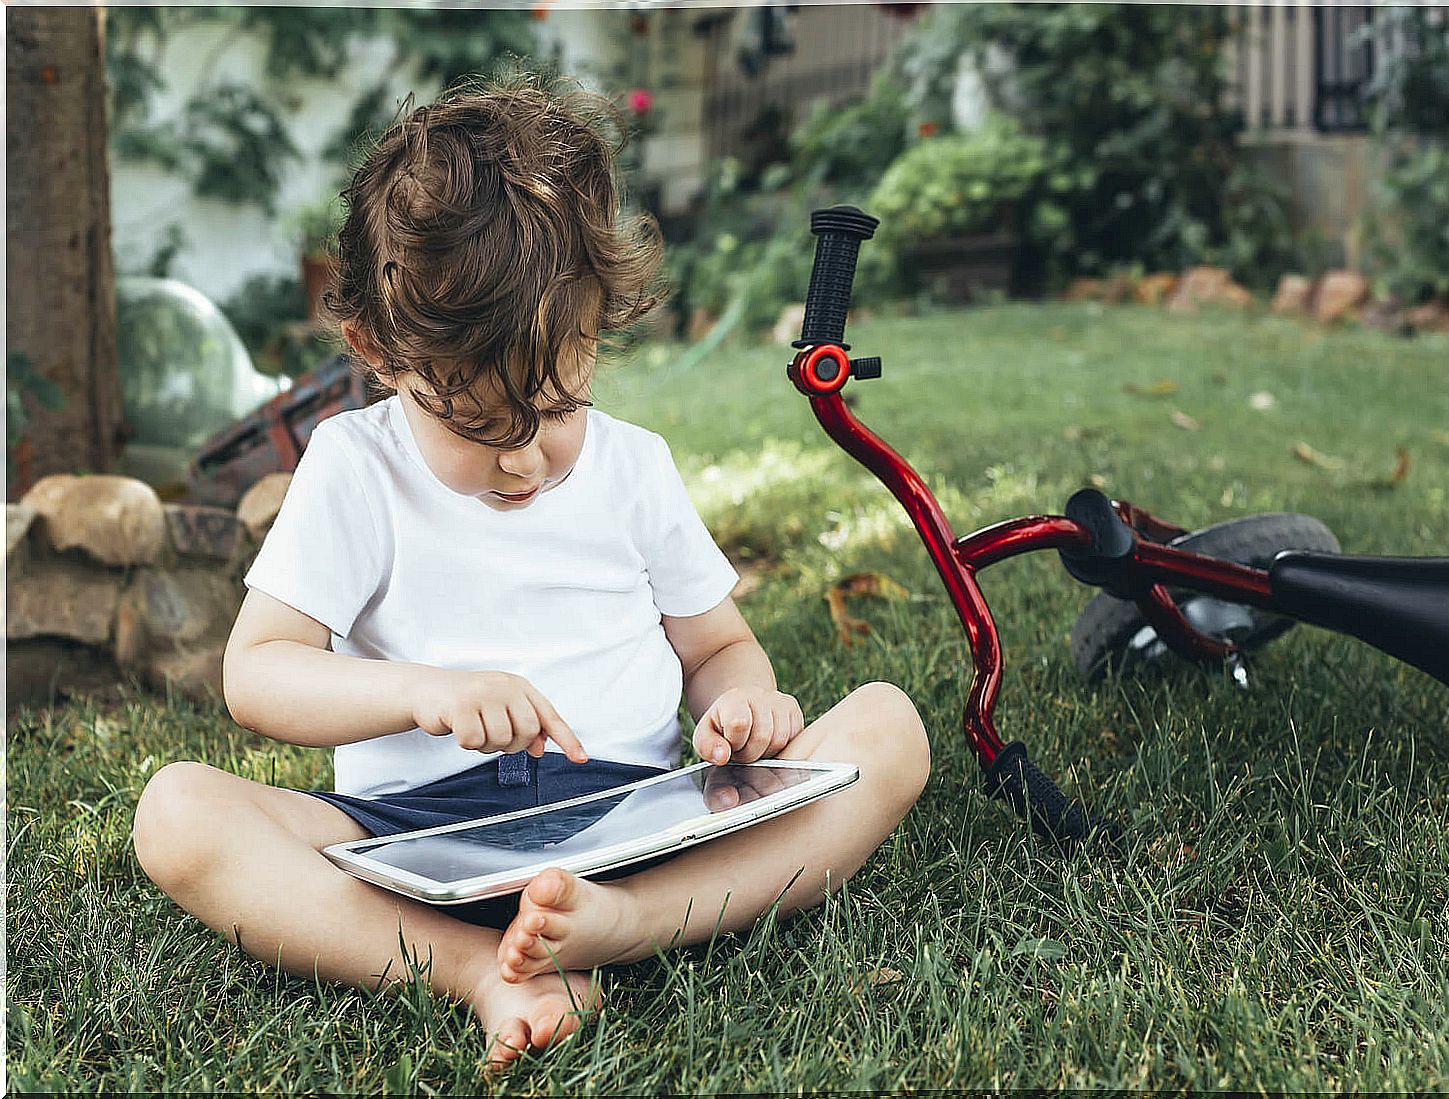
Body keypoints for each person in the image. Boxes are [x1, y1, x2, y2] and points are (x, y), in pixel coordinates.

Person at [131, 73, 931, 1076]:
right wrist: (422, 692)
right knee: (176, 811)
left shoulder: (632, 466)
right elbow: (259, 673)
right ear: (378, 352)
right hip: (410, 838)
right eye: (476, 421)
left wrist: (745, 706)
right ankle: (479, 967)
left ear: (596, 338)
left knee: (887, 727)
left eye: (557, 408)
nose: (524, 460)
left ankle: (623, 922)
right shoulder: (352, 467)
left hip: (635, 814)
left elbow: (717, 644)